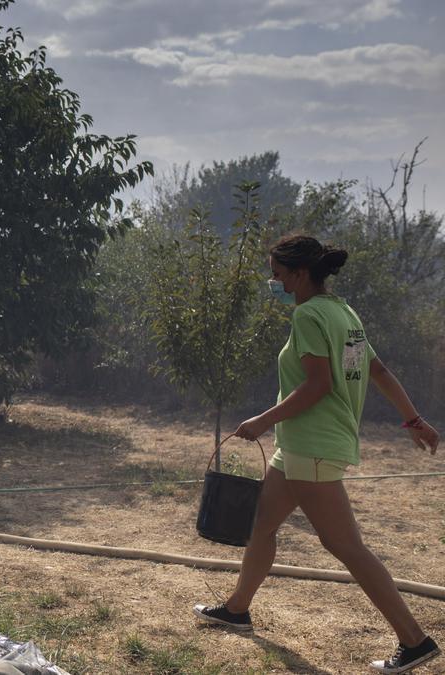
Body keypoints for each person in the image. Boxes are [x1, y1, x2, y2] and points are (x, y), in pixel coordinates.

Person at [192, 234, 440, 674]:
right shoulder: (343, 312)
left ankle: (415, 641)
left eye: (277, 273)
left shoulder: (308, 315)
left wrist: (261, 421)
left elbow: (318, 384)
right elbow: (377, 370)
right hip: (299, 447)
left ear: (299, 273)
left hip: (314, 445)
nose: (274, 281)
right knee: (261, 525)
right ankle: (236, 609)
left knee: (345, 546)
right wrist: (413, 419)